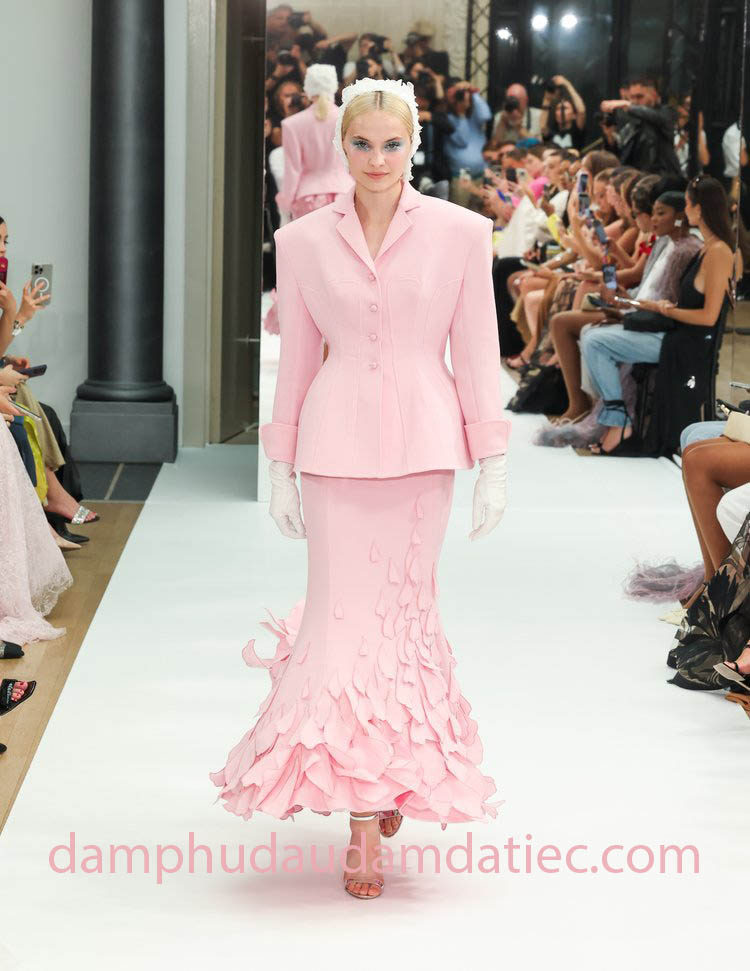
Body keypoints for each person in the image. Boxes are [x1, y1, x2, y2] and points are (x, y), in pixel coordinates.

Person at [210, 76, 509, 901]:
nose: (378, 160)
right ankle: (361, 819)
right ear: (340, 145)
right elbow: (297, 360)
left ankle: (388, 778)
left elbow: (476, 350)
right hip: (333, 450)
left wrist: (493, 460)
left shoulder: (460, 232)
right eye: (362, 144)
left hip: (423, 453)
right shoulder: (302, 240)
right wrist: (278, 463)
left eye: (392, 144)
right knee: (340, 630)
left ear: (414, 145)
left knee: (404, 626)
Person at [581, 177, 737, 455]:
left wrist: (665, 309)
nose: (685, 210)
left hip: (685, 344)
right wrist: (658, 307)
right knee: (594, 336)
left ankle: (619, 421)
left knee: (596, 341)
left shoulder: (718, 252)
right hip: (675, 333)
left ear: (698, 209)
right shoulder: (705, 248)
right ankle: (617, 418)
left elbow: (708, 317)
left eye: (687, 204)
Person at [274, 64, 354, 221]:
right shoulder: (350, 120)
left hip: (307, 198)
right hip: (346, 192)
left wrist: (285, 204)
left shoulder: (292, 124)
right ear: (333, 86)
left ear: (308, 89)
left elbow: (292, 171)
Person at [601, 76, 682, 175]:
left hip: (662, 176)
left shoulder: (667, 112)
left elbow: (656, 117)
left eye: (639, 97)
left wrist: (628, 106)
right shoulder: (631, 124)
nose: (635, 101)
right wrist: (610, 139)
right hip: (636, 176)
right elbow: (622, 155)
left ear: (654, 95)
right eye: (632, 97)